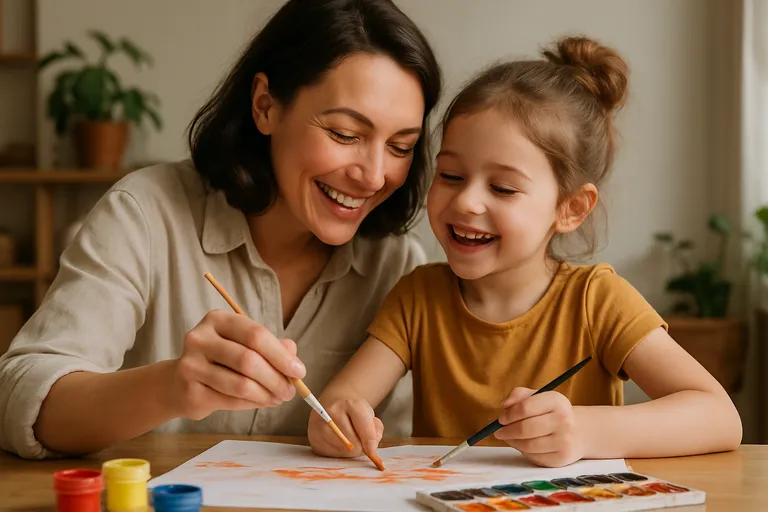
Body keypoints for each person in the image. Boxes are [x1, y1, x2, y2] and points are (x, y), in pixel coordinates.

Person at [0, 0, 442, 459]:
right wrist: (172, 386)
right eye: (345, 135)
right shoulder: (147, 214)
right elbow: (18, 397)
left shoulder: (398, 266)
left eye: (400, 146)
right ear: (265, 106)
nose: (373, 176)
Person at [307, 35, 743, 468]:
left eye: (503, 187)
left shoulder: (598, 300)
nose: (466, 202)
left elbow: (720, 417)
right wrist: (338, 421)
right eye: (451, 175)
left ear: (570, 208)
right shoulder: (417, 297)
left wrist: (583, 431)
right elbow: (338, 404)